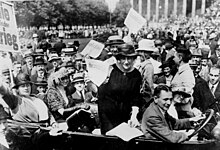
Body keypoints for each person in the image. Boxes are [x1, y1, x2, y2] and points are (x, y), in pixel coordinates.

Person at [98, 43, 143, 134]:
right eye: (123, 58)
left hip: (125, 113)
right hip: (108, 114)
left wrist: (133, 116)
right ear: (118, 59)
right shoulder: (110, 70)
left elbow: (135, 97)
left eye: (129, 58)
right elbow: (99, 92)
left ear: (134, 59)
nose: (126, 62)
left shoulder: (136, 75)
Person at [141, 84, 205, 143]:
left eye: (170, 99)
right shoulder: (152, 115)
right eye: (165, 99)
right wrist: (188, 135)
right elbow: (171, 138)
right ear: (155, 99)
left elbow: (174, 123)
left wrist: (191, 120)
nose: (169, 103)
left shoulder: (159, 109)